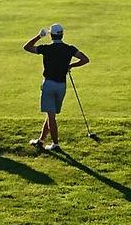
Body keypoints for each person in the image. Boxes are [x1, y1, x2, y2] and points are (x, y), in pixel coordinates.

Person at [23, 23, 88, 151]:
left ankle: (56, 144)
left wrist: (39, 36)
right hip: (61, 86)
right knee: (51, 115)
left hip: (49, 85)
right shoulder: (70, 48)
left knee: (51, 116)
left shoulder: (46, 48)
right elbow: (85, 59)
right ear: (62, 34)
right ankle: (41, 140)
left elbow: (27, 47)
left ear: (51, 35)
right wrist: (71, 66)